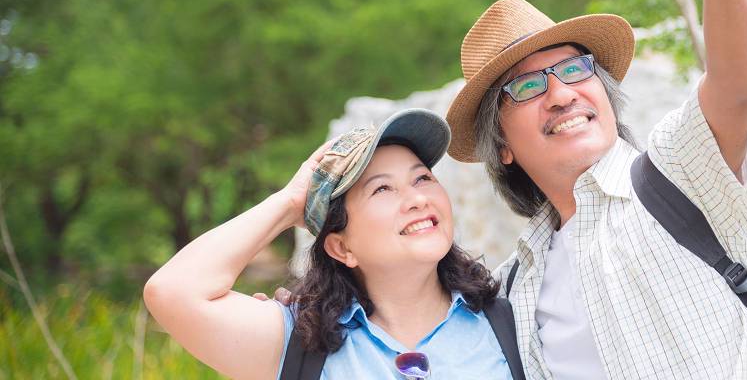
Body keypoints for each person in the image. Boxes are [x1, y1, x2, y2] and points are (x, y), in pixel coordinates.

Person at [443, 0, 747, 379]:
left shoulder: (679, 173)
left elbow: (738, 82)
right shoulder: (517, 284)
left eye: (575, 69)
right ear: (502, 144)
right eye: (529, 87)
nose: (562, 94)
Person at [144, 109, 518, 379]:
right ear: (341, 248)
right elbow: (172, 292)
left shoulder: (512, 320)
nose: (417, 198)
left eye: (421, 178)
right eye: (382, 188)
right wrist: (291, 203)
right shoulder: (299, 342)